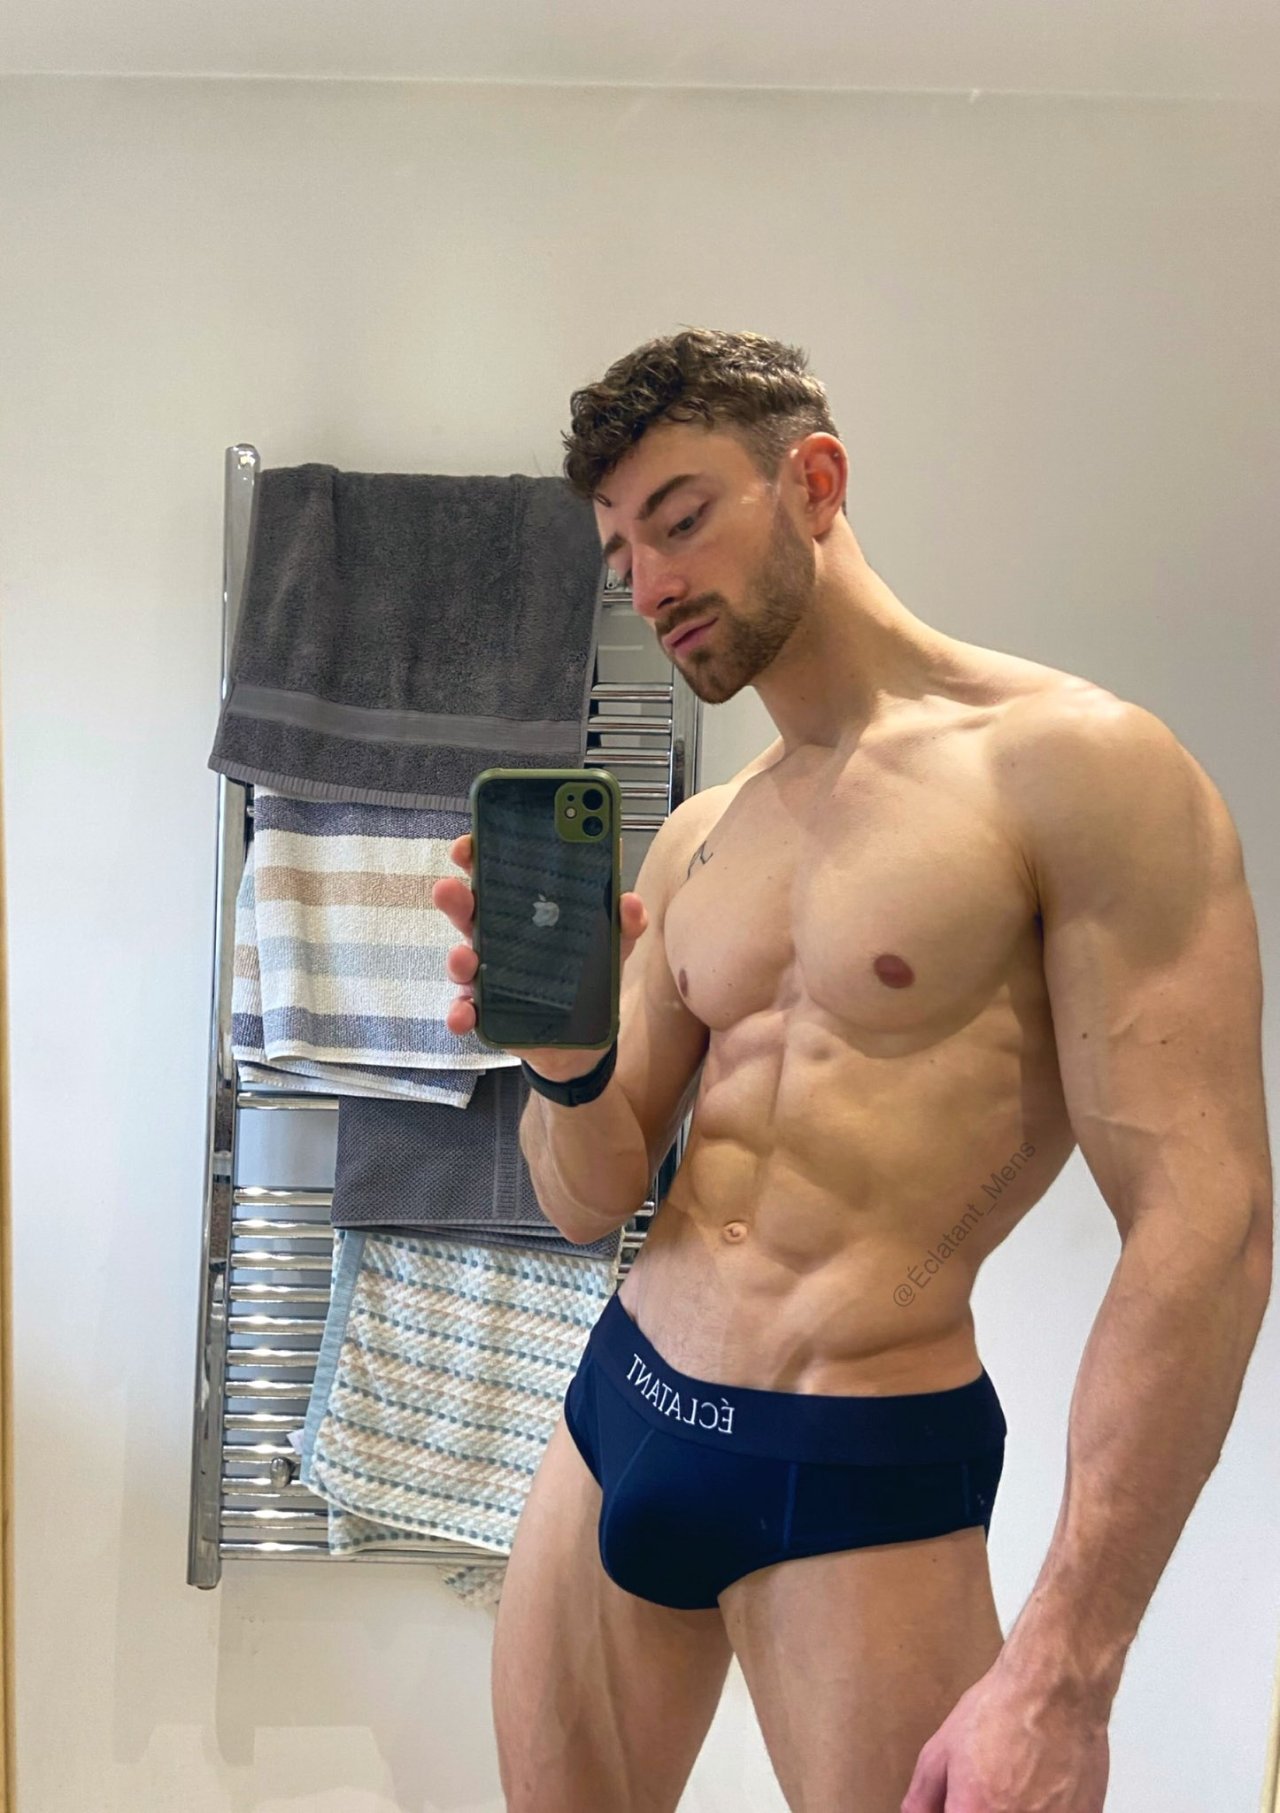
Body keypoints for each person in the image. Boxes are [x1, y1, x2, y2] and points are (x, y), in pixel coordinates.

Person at [431, 328, 1272, 1813]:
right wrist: (563, 1066)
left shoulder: (1078, 769)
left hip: (854, 1460)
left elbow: (1208, 1222)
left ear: (812, 481)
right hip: (621, 1407)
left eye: (682, 518)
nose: (651, 583)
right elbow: (588, 1200)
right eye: (622, 553)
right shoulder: (706, 837)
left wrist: (1067, 1673)